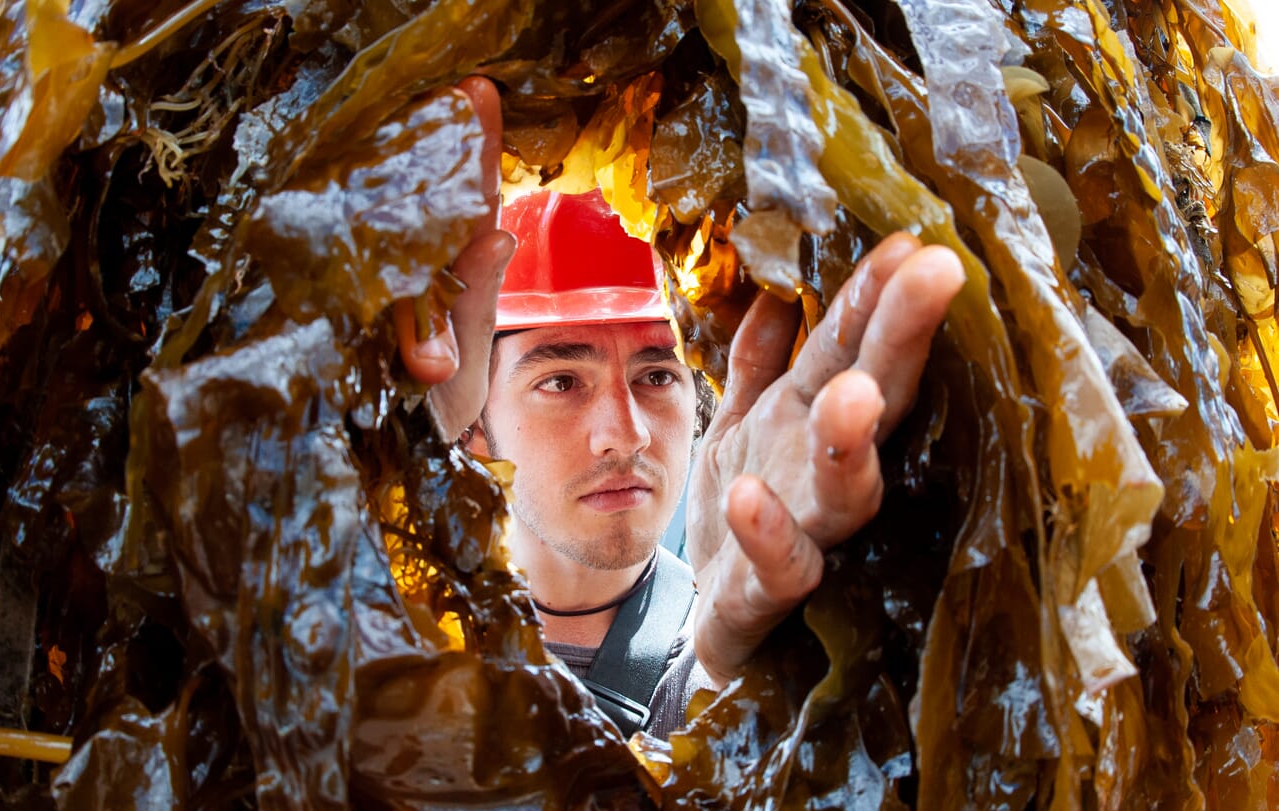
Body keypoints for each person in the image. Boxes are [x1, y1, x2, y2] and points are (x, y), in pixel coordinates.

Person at [397, 77, 965, 736]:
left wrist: (740, 674)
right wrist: (404, 453)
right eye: (561, 381)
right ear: (475, 424)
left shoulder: (718, 653)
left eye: (658, 375)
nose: (624, 433)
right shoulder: (393, 638)